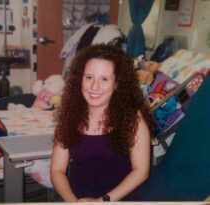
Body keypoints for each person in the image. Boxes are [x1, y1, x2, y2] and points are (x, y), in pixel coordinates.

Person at [50, 44, 154, 202]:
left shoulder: (133, 118)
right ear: (80, 79)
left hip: (116, 200)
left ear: (117, 83)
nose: (94, 86)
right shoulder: (70, 114)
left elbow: (141, 171)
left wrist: (102, 201)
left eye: (104, 79)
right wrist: (72, 201)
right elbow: (57, 170)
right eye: (89, 77)